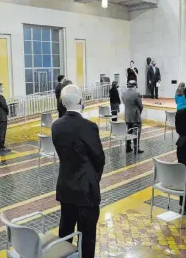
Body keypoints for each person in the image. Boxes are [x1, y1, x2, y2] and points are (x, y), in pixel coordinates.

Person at [51, 84, 105, 258]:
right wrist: (93, 178)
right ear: (81, 101)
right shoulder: (88, 126)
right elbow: (99, 158)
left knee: (65, 232)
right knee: (87, 236)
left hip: (66, 186)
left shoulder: (56, 125)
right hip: (86, 189)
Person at [122, 82, 144, 153]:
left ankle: (128, 147)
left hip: (127, 116)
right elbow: (141, 106)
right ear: (134, 86)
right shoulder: (136, 94)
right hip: (135, 116)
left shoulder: (124, 93)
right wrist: (138, 113)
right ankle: (136, 148)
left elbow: (125, 103)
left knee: (129, 131)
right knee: (136, 132)